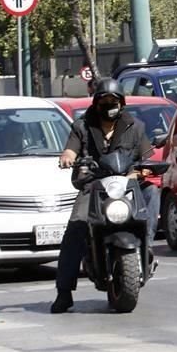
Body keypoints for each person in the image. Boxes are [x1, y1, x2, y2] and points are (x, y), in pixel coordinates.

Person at [50, 78, 159, 313]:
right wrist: (68, 156)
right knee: (76, 226)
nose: (109, 105)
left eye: (114, 101)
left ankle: (147, 245)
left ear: (122, 103)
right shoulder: (82, 126)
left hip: (127, 185)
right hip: (94, 186)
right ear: (96, 103)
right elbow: (71, 148)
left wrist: (146, 168)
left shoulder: (135, 126)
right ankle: (64, 291)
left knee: (152, 192)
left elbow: (147, 156)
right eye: (104, 101)